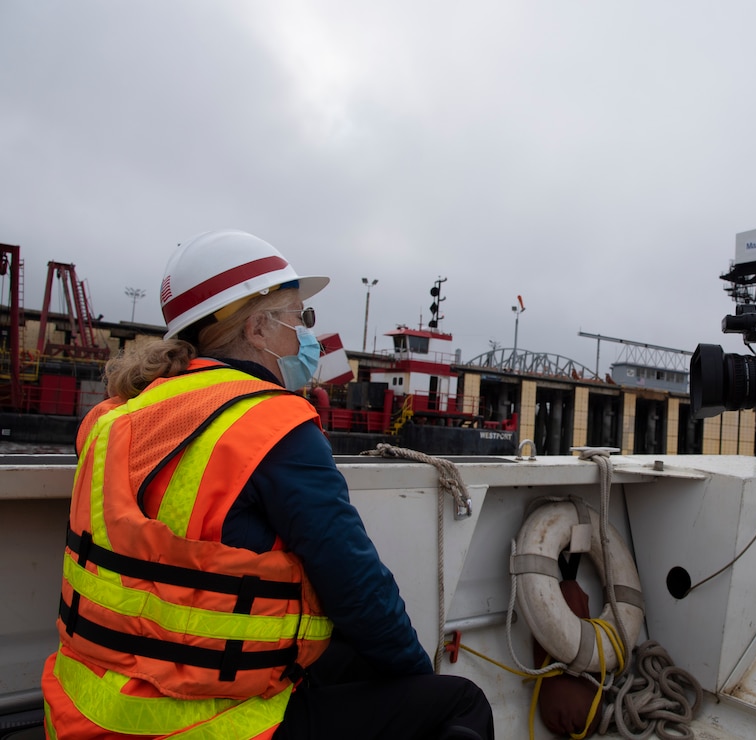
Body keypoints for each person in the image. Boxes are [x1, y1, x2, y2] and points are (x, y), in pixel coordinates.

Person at [41, 229, 494, 739]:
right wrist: (417, 683)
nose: (308, 336)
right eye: (300, 317)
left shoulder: (114, 418)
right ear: (258, 328)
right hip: (204, 722)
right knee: (457, 703)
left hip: (87, 708)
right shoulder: (270, 424)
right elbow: (359, 590)